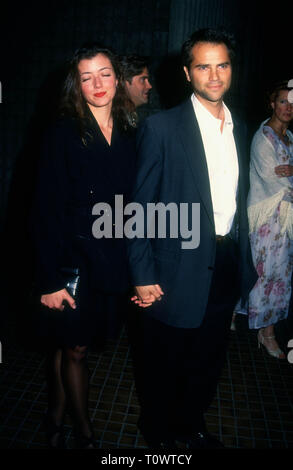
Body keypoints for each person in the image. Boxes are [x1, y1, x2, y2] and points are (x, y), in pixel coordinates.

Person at [127, 28, 257, 449]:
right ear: (187, 73)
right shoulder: (162, 128)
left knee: (207, 359)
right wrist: (142, 274)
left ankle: (192, 426)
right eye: (204, 66)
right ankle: (160, 438)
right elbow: (139, 209)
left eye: (222, 65)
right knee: (165, 363)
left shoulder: (240, 129)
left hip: (224, 264)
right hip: (173, 268)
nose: (214, 75)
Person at [30, 43, 136, 449]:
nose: (97, 84)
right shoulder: (63, 132)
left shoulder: (129, 129)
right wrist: (49, 279)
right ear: (76, 83)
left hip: (111, 258)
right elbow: (43, 209)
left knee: (71, 341)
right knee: (75, 348)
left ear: (117, 78)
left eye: (105, 73)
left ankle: (54, 415)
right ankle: (85, 432)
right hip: (71, 261)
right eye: (86, 76)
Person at [246, 80, 293, 358]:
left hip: (286, 221)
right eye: (283, 101)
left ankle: (267, 329)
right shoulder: (263, 137)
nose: (288, 108)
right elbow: (271, 180)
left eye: (292, 103)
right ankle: (267, 333)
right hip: (268, 221)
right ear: (272, 104)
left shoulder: (290, 138)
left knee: (282, 276)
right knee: (266, 274)